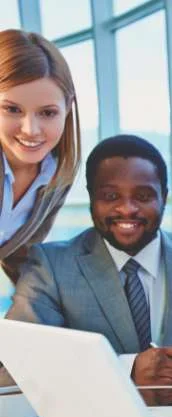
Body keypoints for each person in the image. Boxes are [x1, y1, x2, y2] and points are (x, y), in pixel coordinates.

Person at [6, 135, 172, 386]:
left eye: (143, 196)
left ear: (164, 197)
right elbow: (18, 362)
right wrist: (126, 368)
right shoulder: (51, 266)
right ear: (92, 198)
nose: (127, 209)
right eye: (110, 197)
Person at [0, 29, 80, 283]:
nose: (30, 130)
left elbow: (20, 258)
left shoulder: (58, 174)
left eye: (47, 113)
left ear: (68, 108)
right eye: (12, 109)